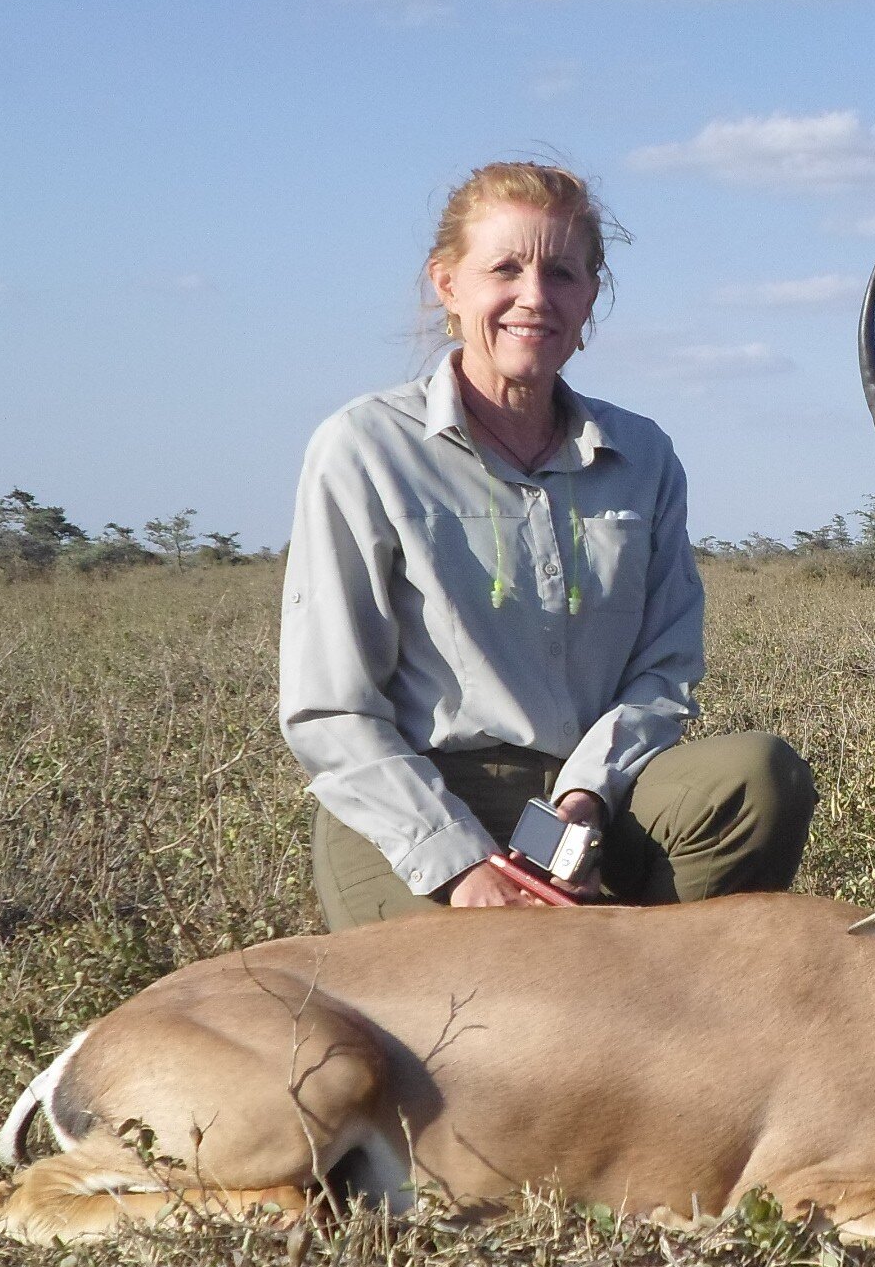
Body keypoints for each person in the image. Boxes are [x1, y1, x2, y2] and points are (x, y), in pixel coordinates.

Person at [281, 161, 815, 928]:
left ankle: (656, 989)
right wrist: (462, 863)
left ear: (590, 295)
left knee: (759, 778)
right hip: (419, 796)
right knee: (483, 993)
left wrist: (585, 797)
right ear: (448, 286)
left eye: (561, 273)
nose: (535, 297)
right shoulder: (364, 446)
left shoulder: (643, 454)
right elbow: (330, 710)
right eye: (504, 268)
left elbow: (663, 670)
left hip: (586, 793)